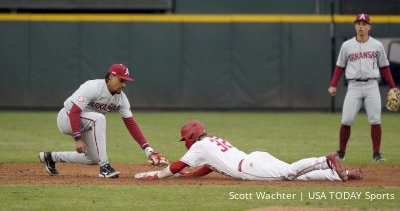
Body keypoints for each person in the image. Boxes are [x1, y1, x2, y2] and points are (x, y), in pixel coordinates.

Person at [39, 63, 169, 178]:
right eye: (121, 80)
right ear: (111, 76)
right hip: (66, 118)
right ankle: (105, 167)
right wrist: (77, 138)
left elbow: (131, 124)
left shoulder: (121, 98)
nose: (123, 84)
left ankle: (50, 157)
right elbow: (74, 112)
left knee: (93, 158)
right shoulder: (93, 86)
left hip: (87, 123)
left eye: (126, 82)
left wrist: (148, 150)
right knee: (99, 118)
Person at [134, 120, 362, 181]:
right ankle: (340, 174)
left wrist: (157, 174)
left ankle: (326, 160)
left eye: (185, 138)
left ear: (191, 137)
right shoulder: (212, 140)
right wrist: (189, 175)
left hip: (249, 168)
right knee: (295, 174)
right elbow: (208, 168)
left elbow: (175, 167)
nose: (186, 142)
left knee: (290, 173)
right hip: (256, 157)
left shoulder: (200, 146)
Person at [328, 13, 398, 162]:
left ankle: (376, 154)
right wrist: (333, 84)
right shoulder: (347, 45)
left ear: (369, 27)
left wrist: (392, 87)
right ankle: (341, 152)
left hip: (372, 85)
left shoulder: (377, 45)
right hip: (354, 86)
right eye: (358, 24)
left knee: (375, 119)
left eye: (364, 24)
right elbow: (340, 66)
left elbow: (385, 67)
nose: (361, 26)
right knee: (346, 119)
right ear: (355, 26)